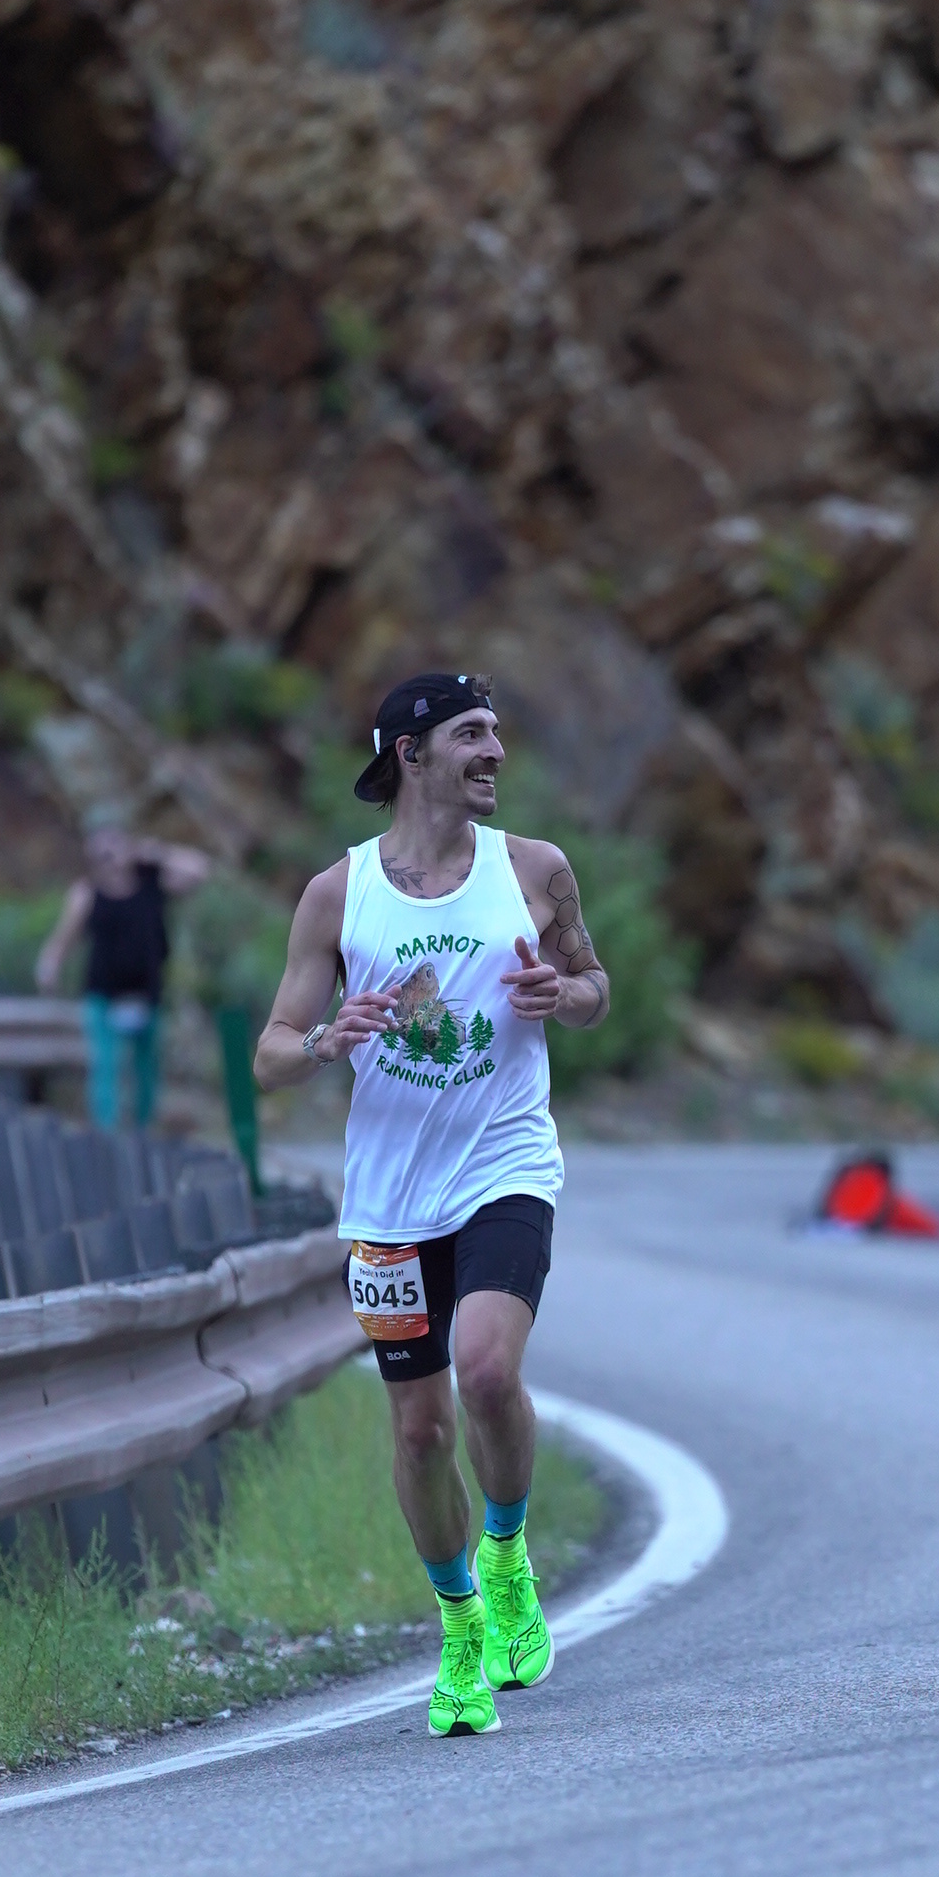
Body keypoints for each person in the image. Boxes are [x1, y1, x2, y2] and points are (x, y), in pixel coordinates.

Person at [255, 672, 610, 1738]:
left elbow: (593, 990)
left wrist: (562, 994)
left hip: (504, 1165)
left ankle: (505, 1554)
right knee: (419, 1431)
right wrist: (327, 1041)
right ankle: (459, 1629)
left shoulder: (536, 870)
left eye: (496, 732)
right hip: (388, 1203)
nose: (494, 750)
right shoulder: (337, 893)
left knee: (488, 1372)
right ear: (410, 755)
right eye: (470, 734)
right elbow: (271, 1053)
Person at [35, 822, 212, 1131]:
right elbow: (65, 935)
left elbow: (199, 870)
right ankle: (107, 1134)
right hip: (104, 994)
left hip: (146, 994)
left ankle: (144, 1130)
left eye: (114, 848)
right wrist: (50, 964)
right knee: (107, 1067)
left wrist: (154, 852)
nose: (109, 859)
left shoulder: (153, 882)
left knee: (147, 1070)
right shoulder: (87, 893)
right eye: (101, 853)